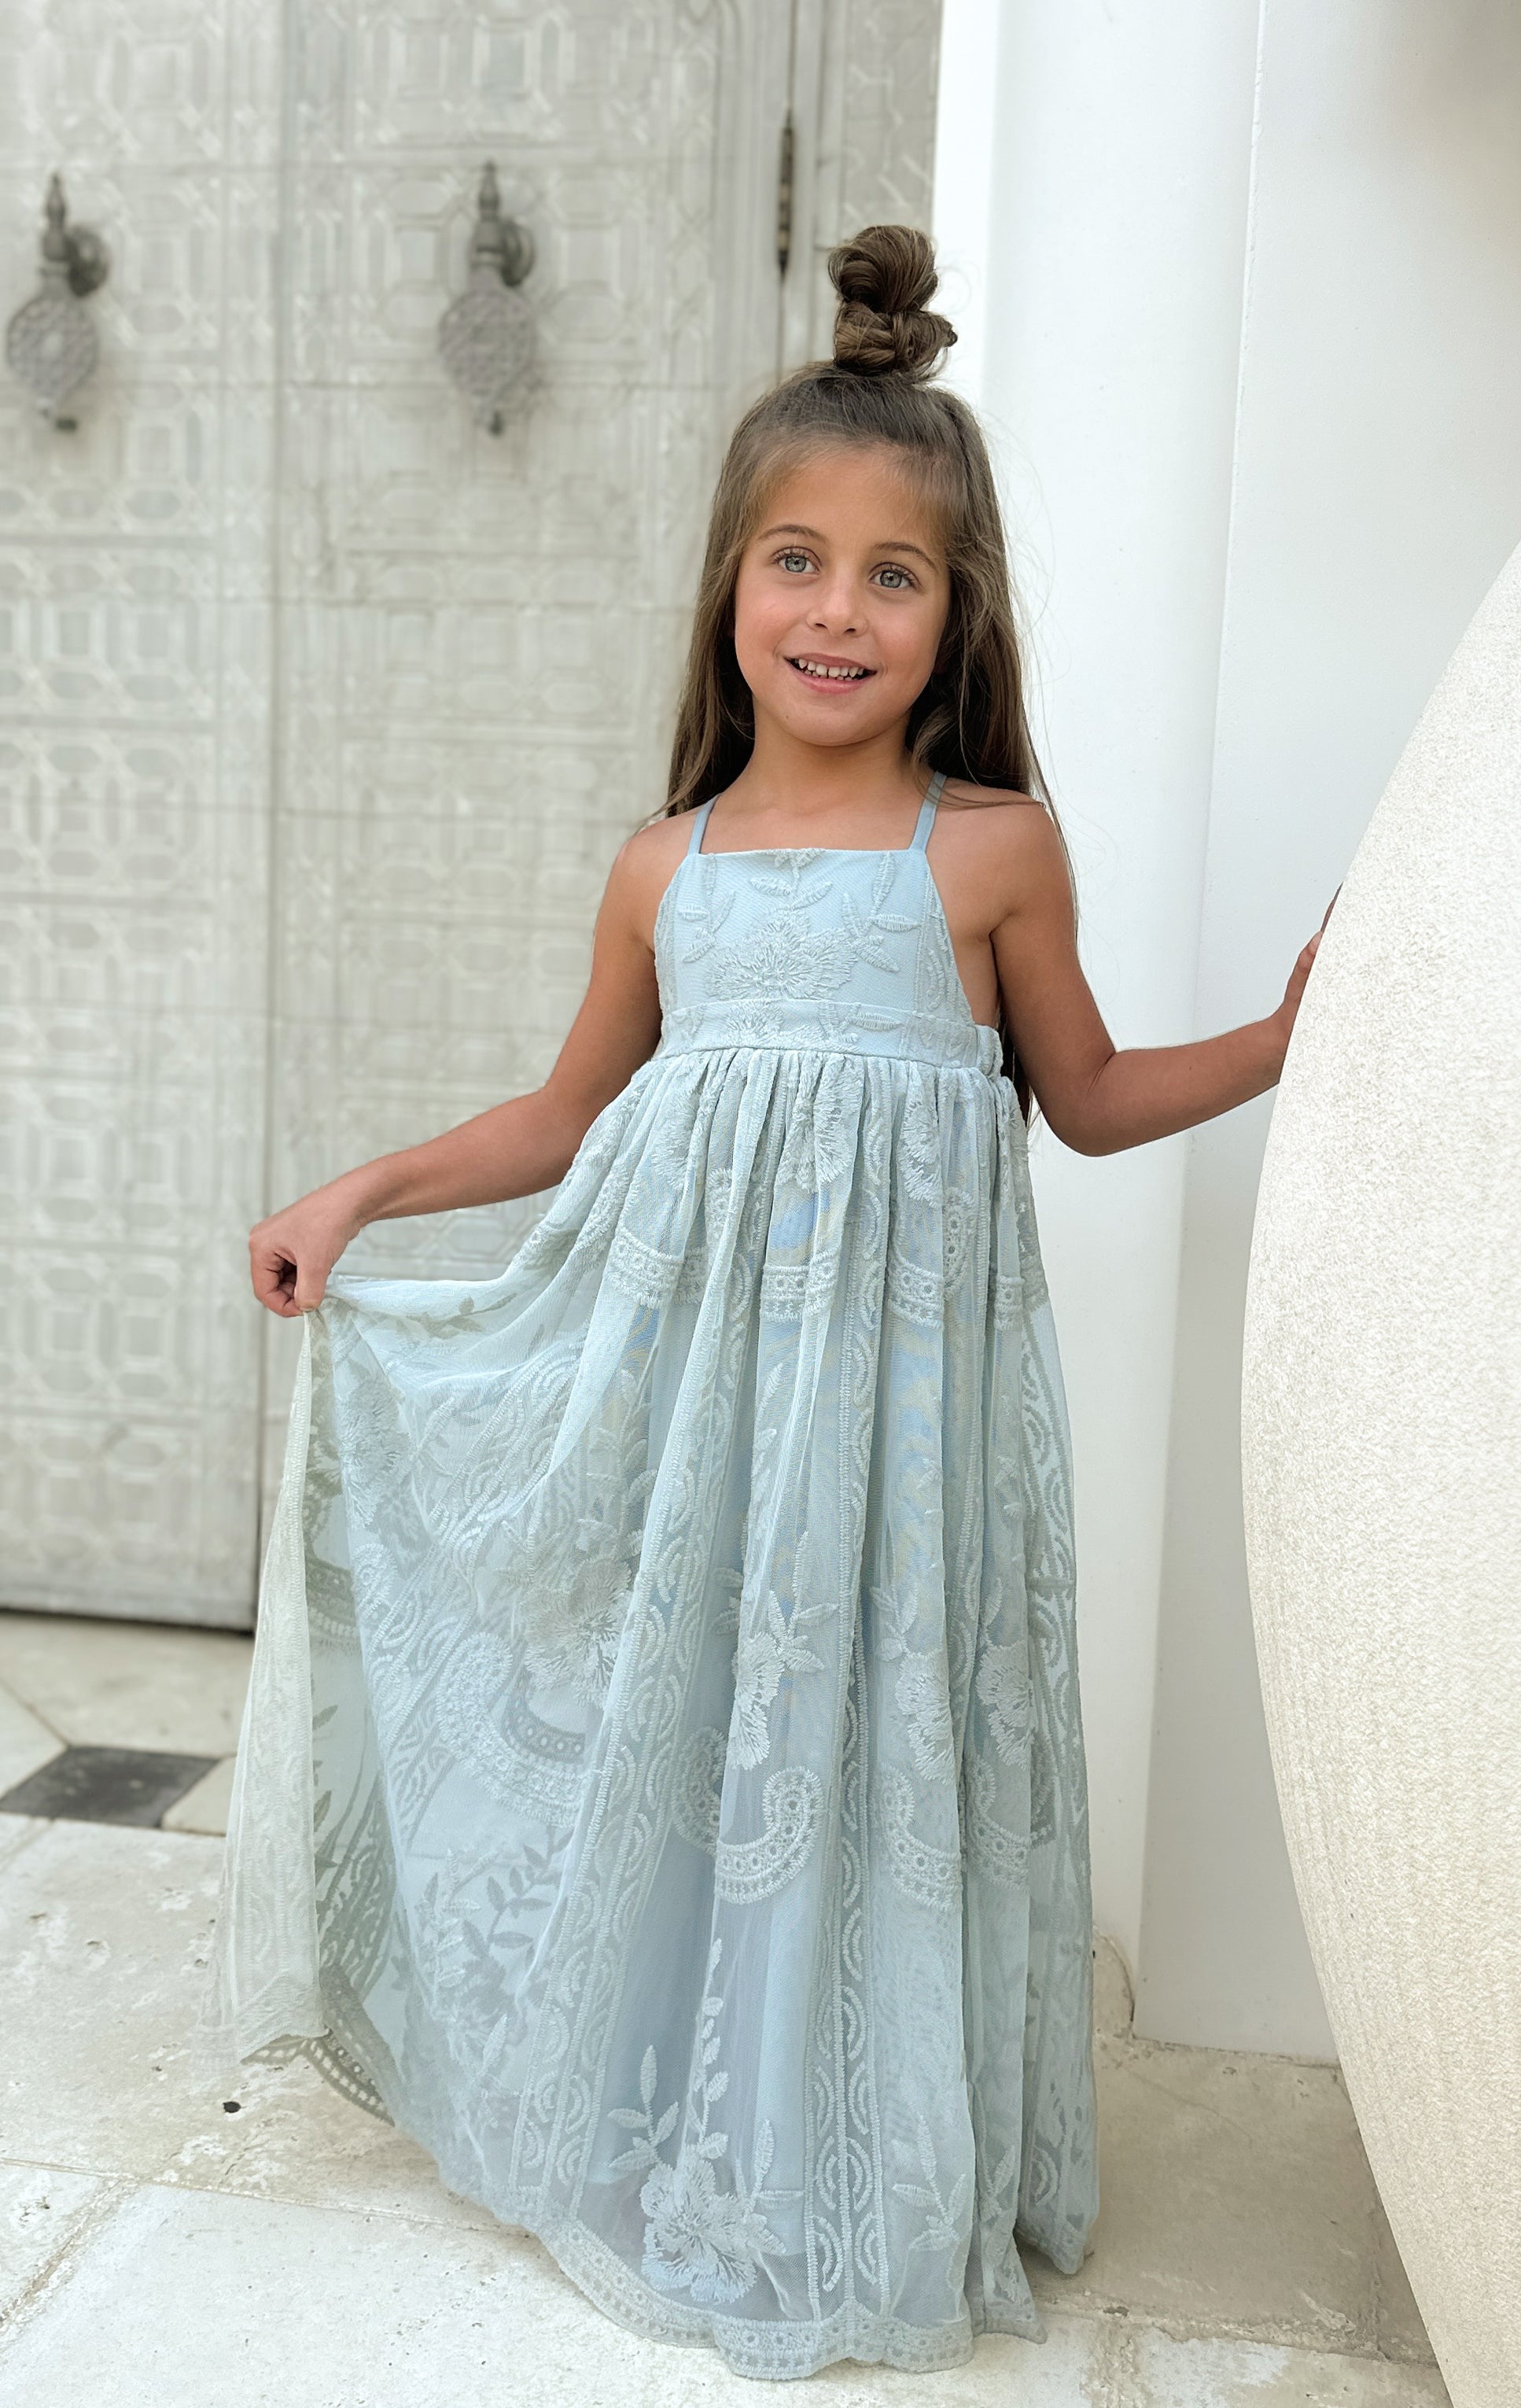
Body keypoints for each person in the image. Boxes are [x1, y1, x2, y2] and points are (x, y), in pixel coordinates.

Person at [201, 225, 1328, 2382]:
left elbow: (1088, 1103)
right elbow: (564, 1115)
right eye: (795, 561)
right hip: (702, 1428)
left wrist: (1285, 1039)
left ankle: (863, 2162)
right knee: (714, 1744)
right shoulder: (670, 869)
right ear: (730, 587)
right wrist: (364, 1192)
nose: (837, 610)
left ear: (954, 616)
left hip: (899, 1455)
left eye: (893, 576)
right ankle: (701, 2129)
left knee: (868, 1753)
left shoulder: (990, 852)